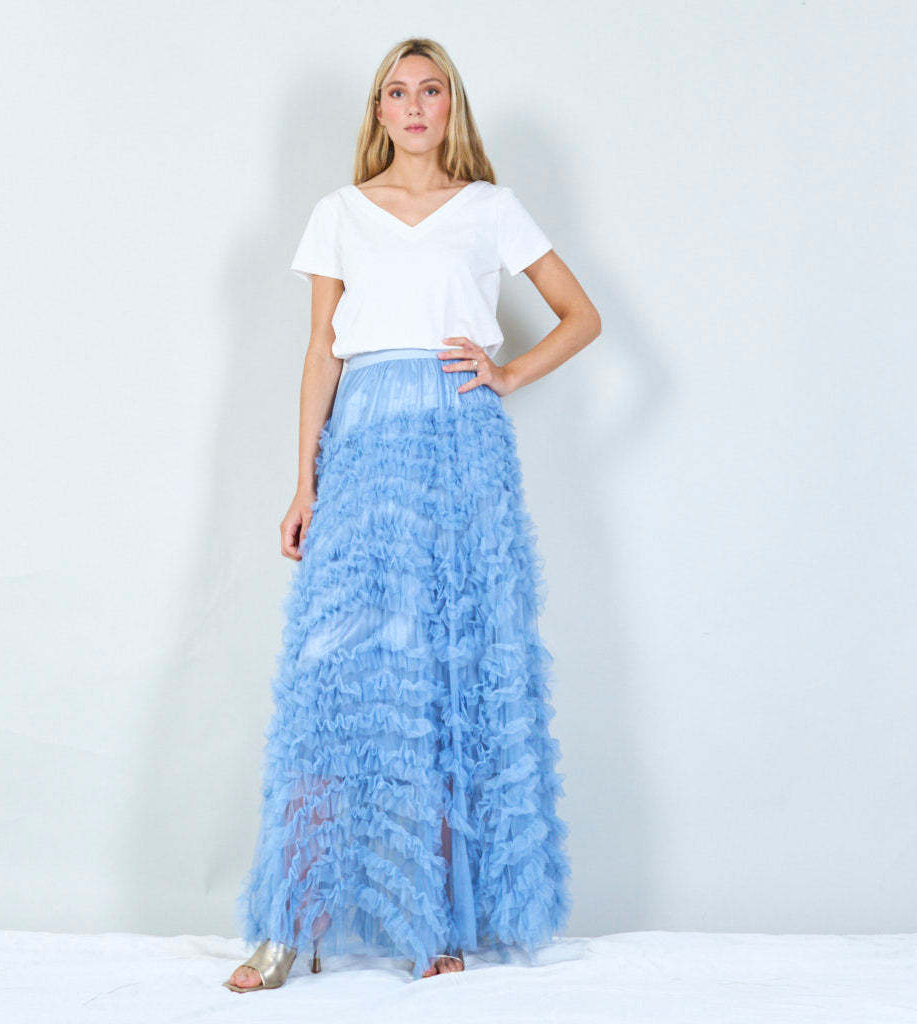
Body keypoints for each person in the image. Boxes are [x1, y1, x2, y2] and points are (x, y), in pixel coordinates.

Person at [224, 36, 602, 993]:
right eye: (398, 92)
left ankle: (438, 917)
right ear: (379, 111)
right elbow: (322, 351)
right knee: (333, 671)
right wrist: (305, 482)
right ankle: (287, 922)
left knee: (447, 669)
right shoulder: (340, 213)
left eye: (432, 90)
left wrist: (506, 372)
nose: (416, 106)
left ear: (451, 106)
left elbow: (581, 316)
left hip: (461, 444)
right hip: (364, 442)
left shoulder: (490, 208)